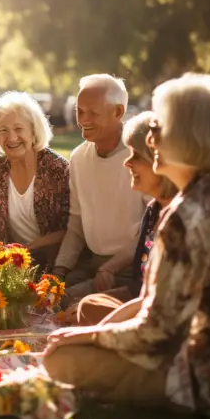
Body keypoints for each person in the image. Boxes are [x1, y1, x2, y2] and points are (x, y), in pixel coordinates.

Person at [44, 73, 210, 417]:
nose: (148, 135)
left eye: (159, 125)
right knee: (89, 321)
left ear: (189, 135)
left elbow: (157, 334)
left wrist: (87, 337)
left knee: (60, 358)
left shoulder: (189, 214)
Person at [68, 111, 178, 325]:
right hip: (147, 307)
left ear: (159, 160)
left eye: (136, 155)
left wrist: (105, 317)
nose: (127, 163)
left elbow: (166, 302)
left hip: (171, 323)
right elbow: (140, 288)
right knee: (86, 306)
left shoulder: (181, 217)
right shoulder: (154, 210)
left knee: (87, 309)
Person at [52, 74, 147, 303]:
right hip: (94, 262)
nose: (83, 119)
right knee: (43, 296)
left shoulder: (140, 156)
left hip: (131, 265)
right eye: (79, 111)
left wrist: (110, 268)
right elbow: (76, 224)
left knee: (67, 302)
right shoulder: (78, 157)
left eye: (92, 113)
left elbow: (152, 228)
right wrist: (58, 271)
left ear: (118, 112)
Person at [0, 91, 70, 272]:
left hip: (48, 255)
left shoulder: (57, 168)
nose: (11, 138)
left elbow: (71, 228)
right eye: (3, 130)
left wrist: (29, 249)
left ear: (33, 131)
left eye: (18, 129)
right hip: (5, 257)